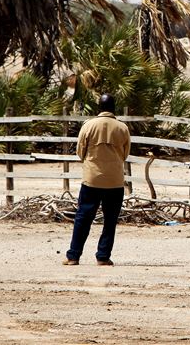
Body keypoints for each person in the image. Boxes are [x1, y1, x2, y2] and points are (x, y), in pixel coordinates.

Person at [64, 94, 131, 266]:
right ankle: (103, 256)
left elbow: (80, 151)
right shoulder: (122, 128)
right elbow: (125, 154)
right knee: (110, 220)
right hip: (115, 180)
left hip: (91, 179)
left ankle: (73, 255)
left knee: (83, 218)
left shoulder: (89, 125)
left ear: (98, 107)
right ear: (114, 107)